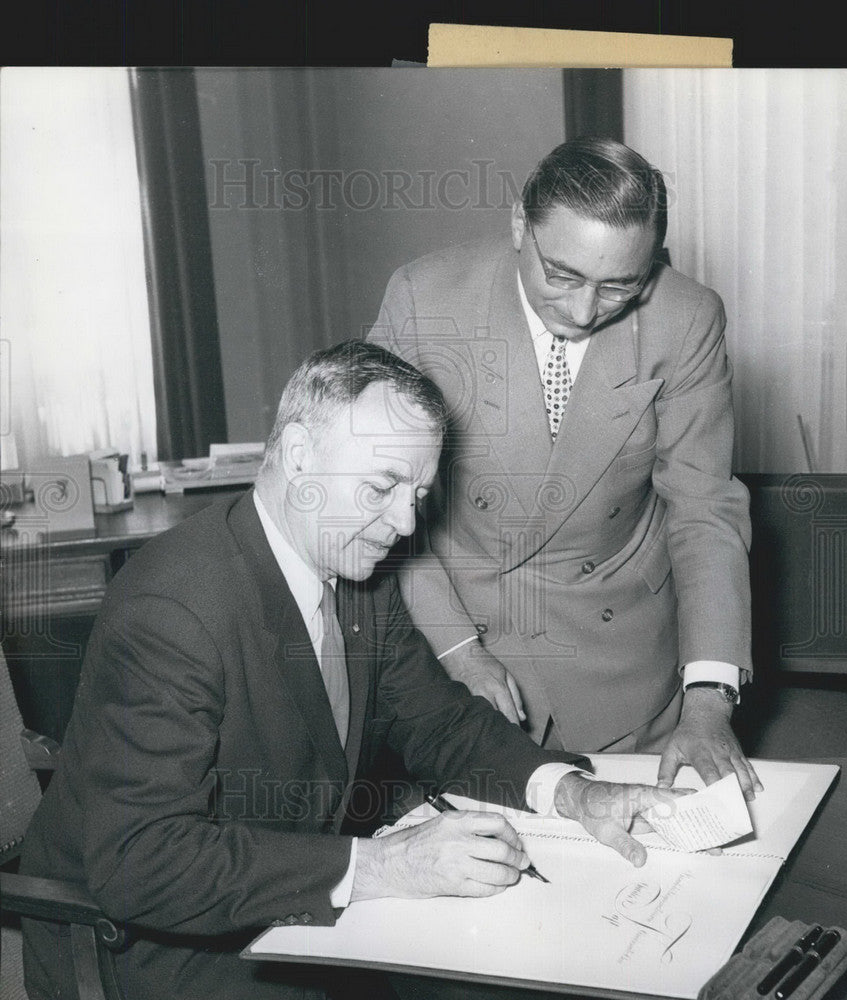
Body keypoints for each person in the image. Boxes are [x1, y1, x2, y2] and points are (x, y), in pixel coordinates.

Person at [22, 341, 683, 1000]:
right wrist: (383, 864)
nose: (403, 522)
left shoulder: (350, 569)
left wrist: (571, 793)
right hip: (161, 951)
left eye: (418, 494)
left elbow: (439, 722)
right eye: (382, 485)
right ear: (300, 454)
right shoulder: (172, 606)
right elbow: (140, 862)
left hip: (288, 891)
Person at [367, 137, 761, 799]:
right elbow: (378, 502)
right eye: (562, 275)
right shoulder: (422, 298)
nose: (583, 312)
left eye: (619, 286)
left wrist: (708, 695)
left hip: (621, 665)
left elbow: (703, 510)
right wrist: (458, 651)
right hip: (457, 641)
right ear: (520, 223)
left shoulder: (687, 318)